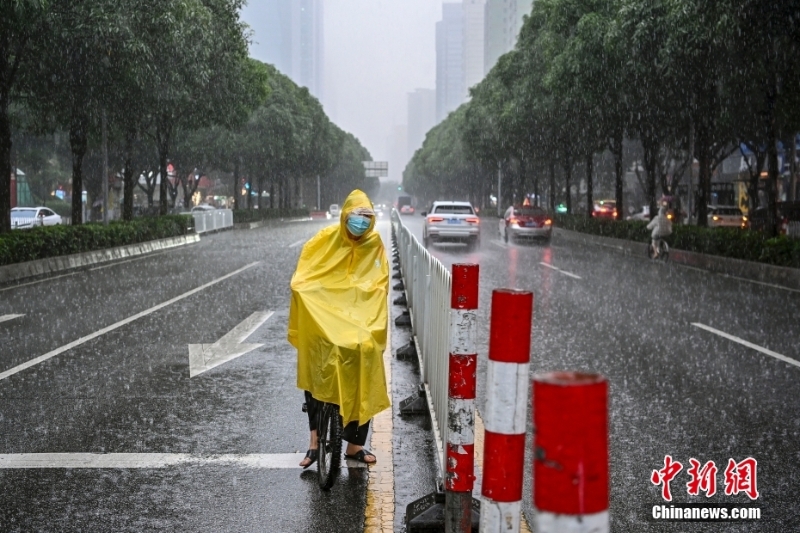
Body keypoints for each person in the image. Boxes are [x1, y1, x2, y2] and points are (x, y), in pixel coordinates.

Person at [288, 189, 391, 468]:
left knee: (366, 358)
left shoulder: (375, 246)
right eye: (356, 217)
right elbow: (304, 276)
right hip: (324, 317)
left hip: (359, 319)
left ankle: (355, 445)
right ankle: (313, 443)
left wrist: (367, 310)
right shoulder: (323, 241)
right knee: (316, 364)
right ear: (345, 216)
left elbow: (379, 284)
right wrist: (306, 294)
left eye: (366, 218)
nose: (361, 223)